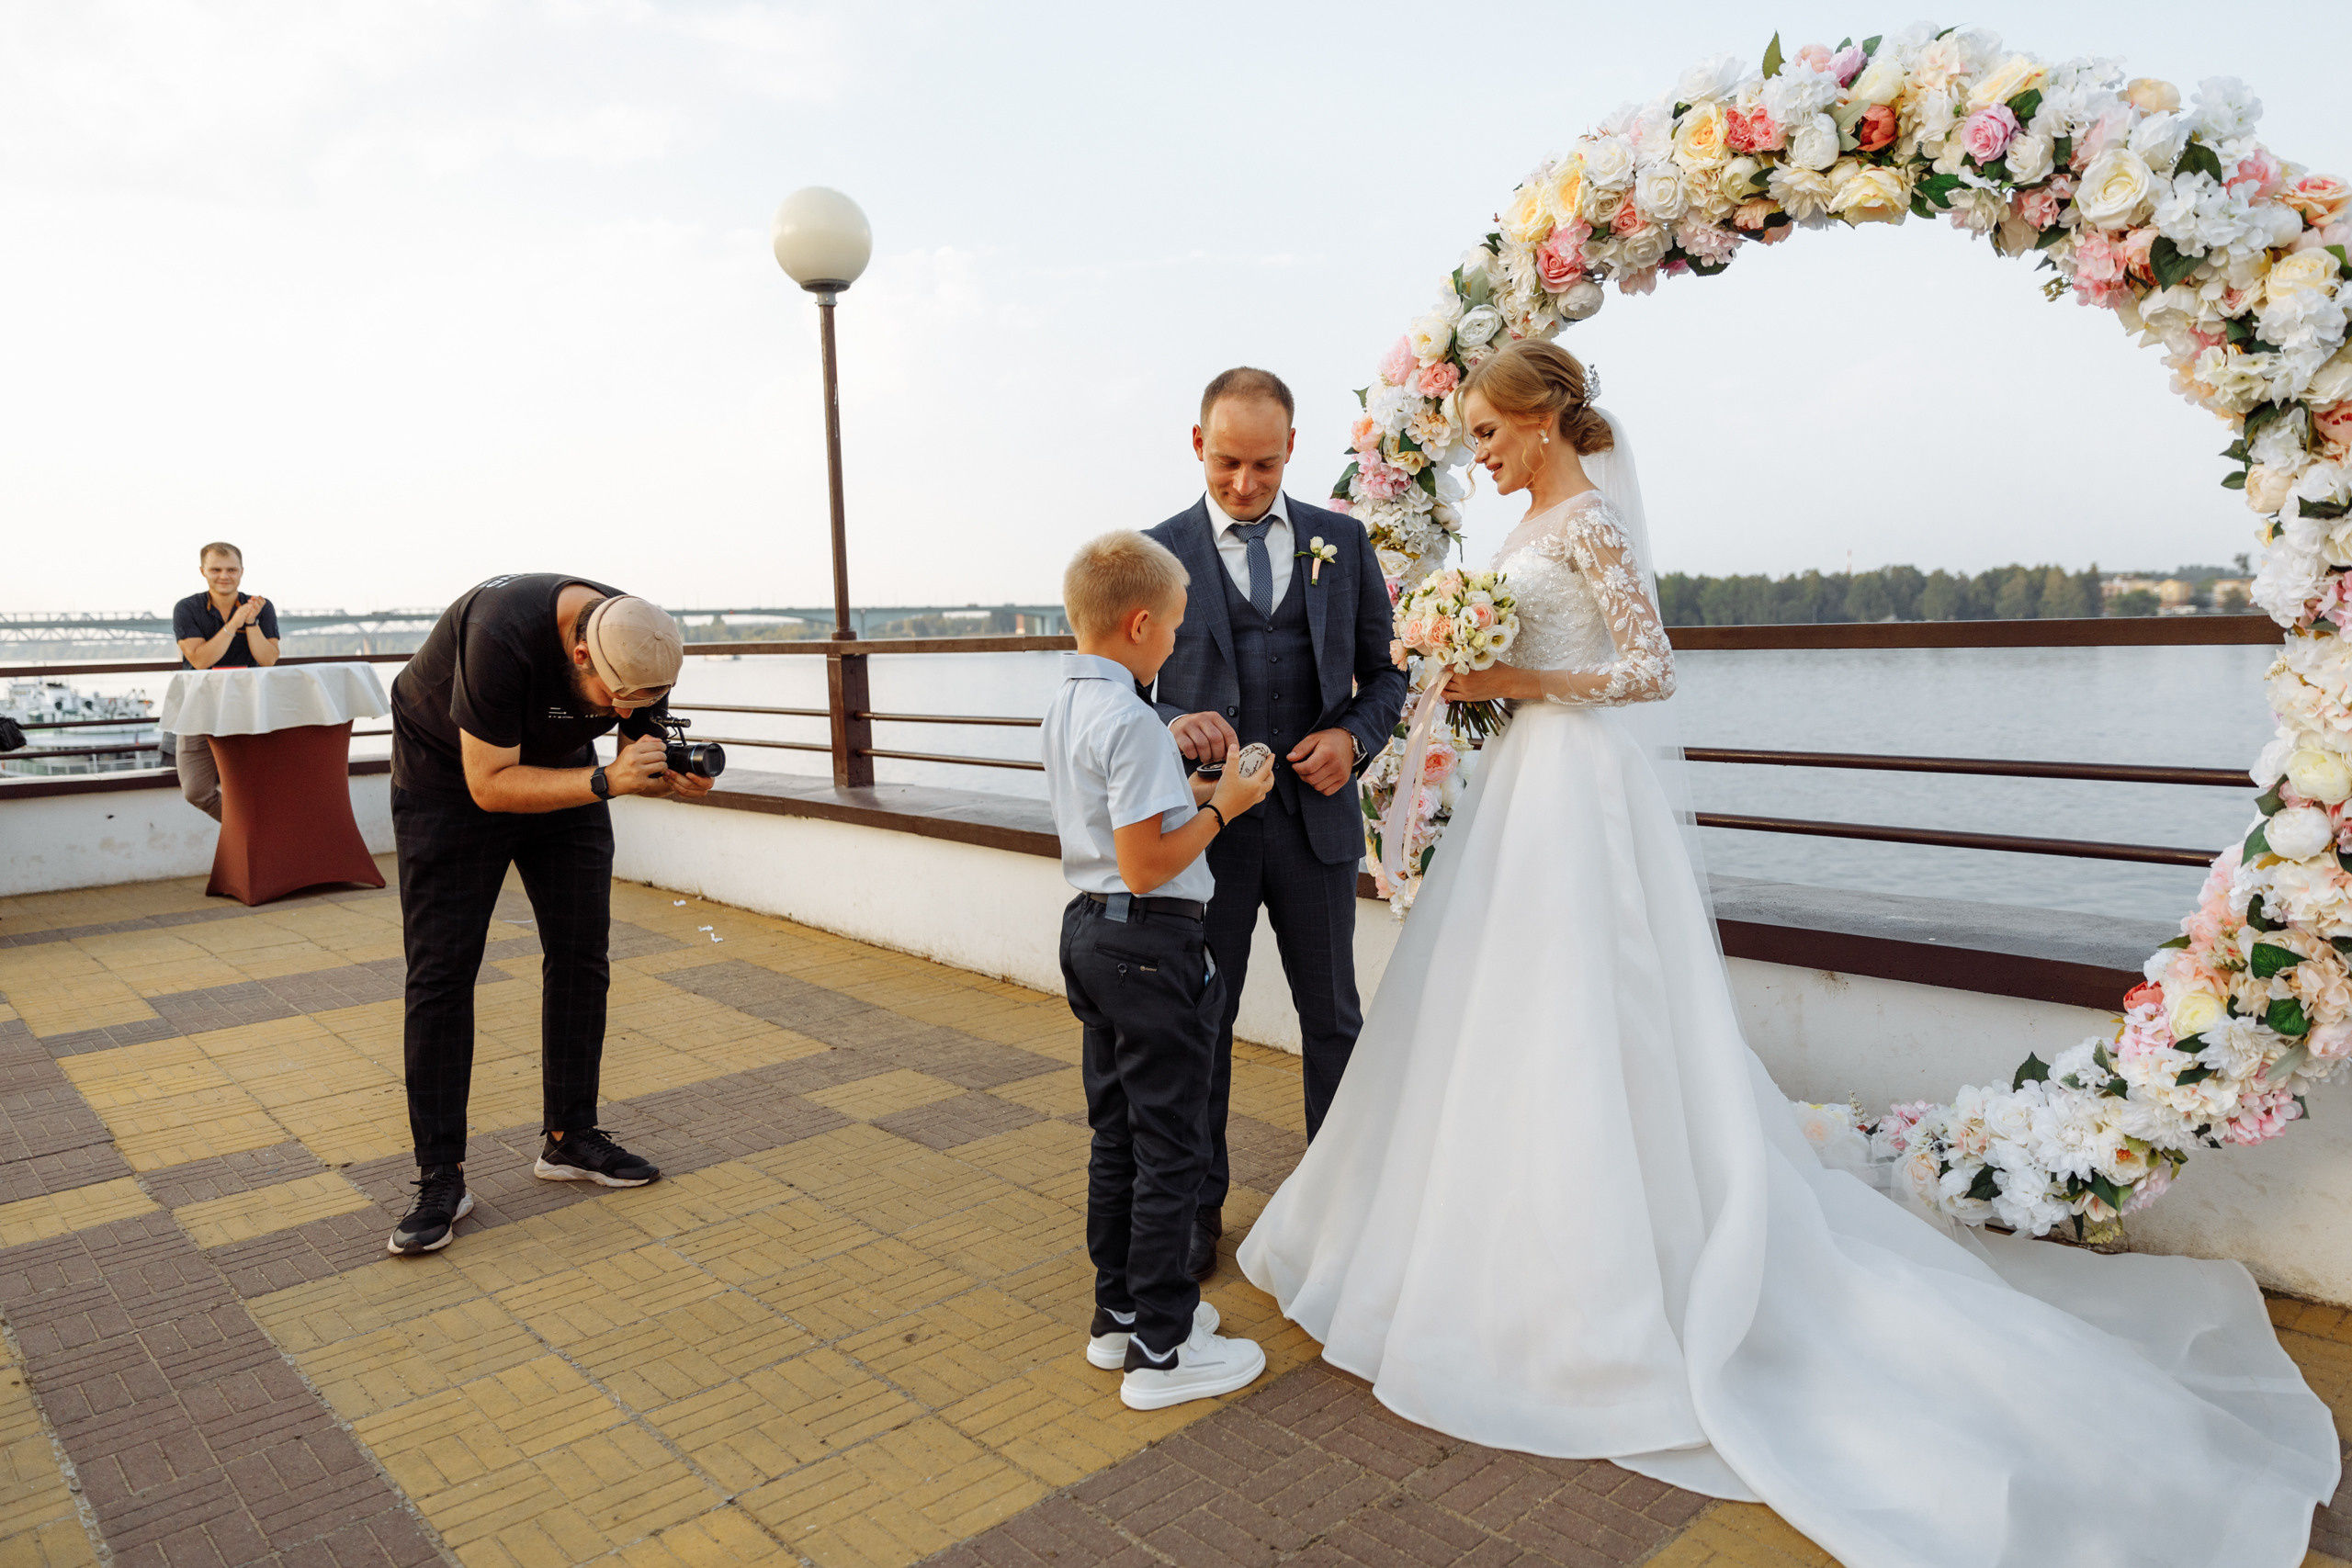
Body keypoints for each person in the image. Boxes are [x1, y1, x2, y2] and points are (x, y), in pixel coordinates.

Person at [1238, 340, 2339, 1566]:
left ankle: (1601, 1269)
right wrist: (1474, 675)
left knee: (1586, 1007)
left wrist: (1511, 670)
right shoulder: (1534, 519)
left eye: (1491, 434)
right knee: (1500, 1012)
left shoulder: (1590, 518)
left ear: (1543, 420)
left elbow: (1646, 667)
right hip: (1528, 784)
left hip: (1582, 786)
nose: (1481, 454)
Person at [1143, 367, 1408, 1283]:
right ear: (1196, 444)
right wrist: (1168, 725)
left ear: (1292, 448)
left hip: (1313, 828)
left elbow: (1388, 676)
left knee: (1332, 1017)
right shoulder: (1152, 555)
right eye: (1226, 464)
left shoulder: (1341, 541)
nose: (1245, 484)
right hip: (1205, 830)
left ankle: (1341, 1213)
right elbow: (1117, 694)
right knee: (1200, 1025)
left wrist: (1349, 735)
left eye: (1262, 464)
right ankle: (1191, 1218)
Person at [384, 575, 715, 1255]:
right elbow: (489, 784)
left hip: (558, 771)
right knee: (443, 974)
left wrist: (669, 777)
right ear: (581, 654)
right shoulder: (499, 635)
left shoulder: (638, 636)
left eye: (645, 700)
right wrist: (604, 781)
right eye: (616, 700)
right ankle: (440, 1175)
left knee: (580, 953)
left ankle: (570, 1137)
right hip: (451, 782)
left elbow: (632, 746)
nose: (629, 711)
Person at [1046, 531, 1277, 1410]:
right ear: (1141, 624)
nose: (1179, 641)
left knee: (1118, 1135)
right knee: (1173, 1142)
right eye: (1176, 626)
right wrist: (1227, 801)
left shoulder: (1069, 705)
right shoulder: (1131, 721)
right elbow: (1149, 864)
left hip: (1089, 934)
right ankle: (1164, 1349)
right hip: (1149, 940)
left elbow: (1114, 825)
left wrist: (1174, 775)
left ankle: (1119, 1317)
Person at [171, 541, 281, 820]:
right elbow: (200, 659)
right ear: (203, 571)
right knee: (196, 790)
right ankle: (250, 828)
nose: (224, 575)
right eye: (216, 569)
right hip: (198, 706)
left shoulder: (260, 607)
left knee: (250, 786)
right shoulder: (186, 608)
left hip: (247, 706)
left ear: (242, 571)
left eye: (231, 569)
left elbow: (268, 659)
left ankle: (255, 835)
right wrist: (234, 623)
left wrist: (252, 623)